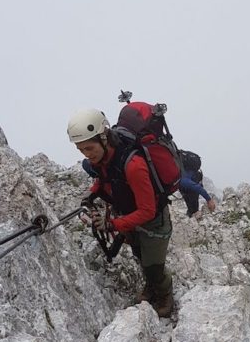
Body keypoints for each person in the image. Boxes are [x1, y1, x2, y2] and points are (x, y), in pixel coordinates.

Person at [67, 108, 174, 318]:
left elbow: (147, 210)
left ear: (104, 138)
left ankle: (164, 294)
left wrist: (112, 225)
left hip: (153, 222)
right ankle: (151, 286)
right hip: (128, 217)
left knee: (154, 266)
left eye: (90, 147)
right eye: (81, 150)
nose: (87, 155)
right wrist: (90, 195)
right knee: (140, 256)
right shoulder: (103, 159)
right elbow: (104, 178)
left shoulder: (134, 166)